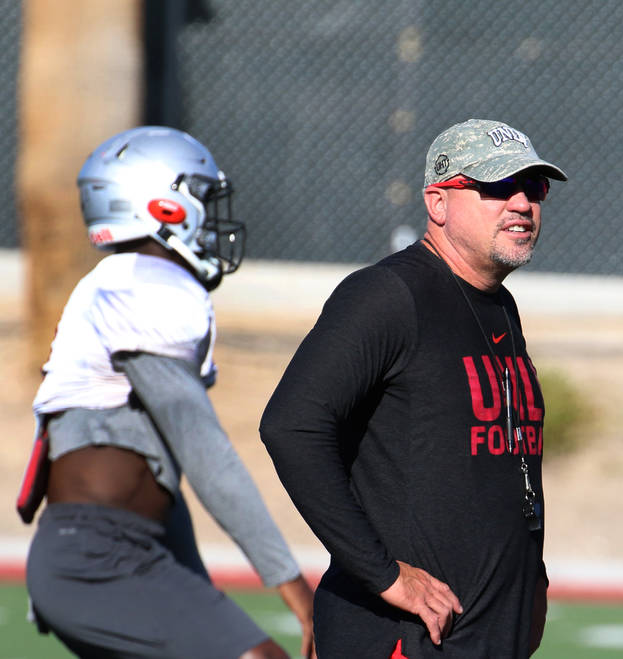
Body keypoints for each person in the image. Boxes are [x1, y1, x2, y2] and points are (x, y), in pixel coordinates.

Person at [259, 119, 566, 658]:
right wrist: (383, 574)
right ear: (438, 202)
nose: (521, 203)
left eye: (534, 188)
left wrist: (528, 579)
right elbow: (291, 424)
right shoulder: (387, 294)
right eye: (496, 186)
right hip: (402, 636)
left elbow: (498, 468)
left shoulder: (498, 304)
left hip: (487, 632)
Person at [17, 126, 315, 659]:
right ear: (166, 207)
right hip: (97, 557)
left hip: (112, 551)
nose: (214, 217)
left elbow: (157, 472)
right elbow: (202, 448)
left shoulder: (119, 283)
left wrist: (196, 587)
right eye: (202, 197)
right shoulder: (146, 285)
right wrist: (293, 585)